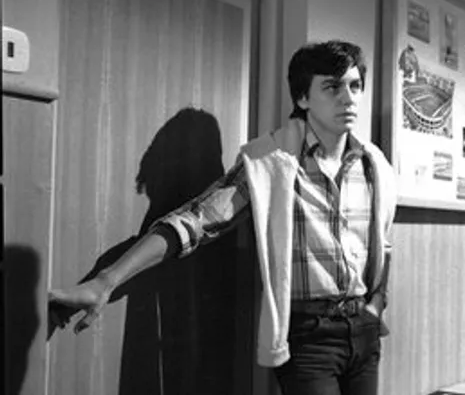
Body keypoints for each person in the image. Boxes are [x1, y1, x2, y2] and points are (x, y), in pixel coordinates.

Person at [49, 40, 397, 395]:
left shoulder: (374, 165)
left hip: (364, 331)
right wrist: (106, 281)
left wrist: (376, 304)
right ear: (303, 98)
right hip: (311, 337)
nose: (348, 98)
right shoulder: (271, 163)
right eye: (333, 87)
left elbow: (382, 244)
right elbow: (197, 221)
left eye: (355, 86)